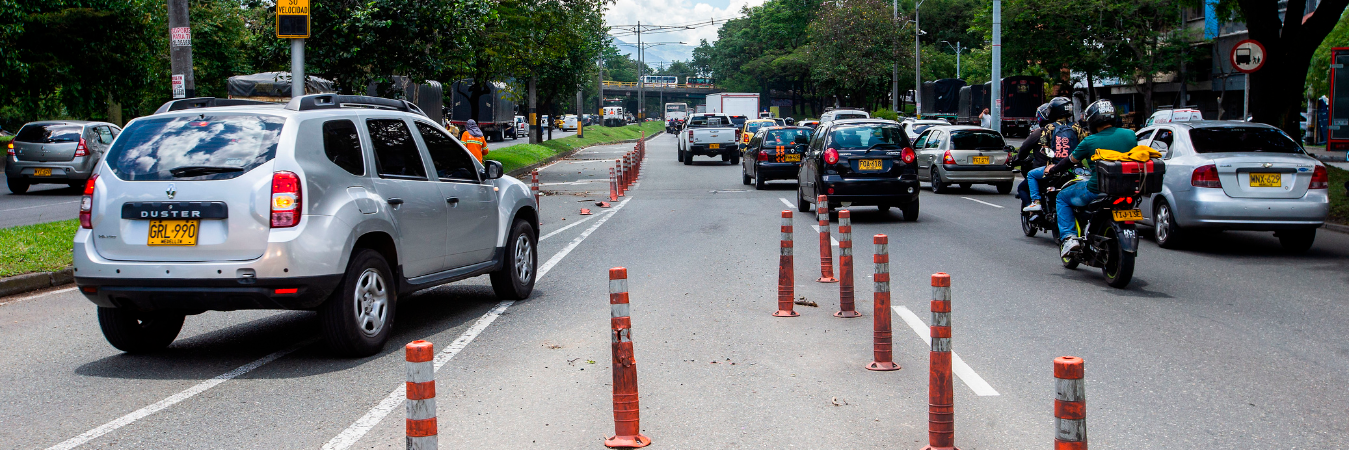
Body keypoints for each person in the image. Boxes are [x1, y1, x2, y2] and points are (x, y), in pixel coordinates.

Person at [1045, 99, 1136, 257]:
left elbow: (1069, 161)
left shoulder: (1089, 141)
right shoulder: (1130, 135)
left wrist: (1053, 169)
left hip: (1096, 189)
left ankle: (1069, 237)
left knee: (1062, 197)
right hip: (1127, 188)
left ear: (1093, 120)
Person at [1023, 97, 1083, 212]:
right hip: (1075, 168)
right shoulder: (1076, 127)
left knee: (1031, 175)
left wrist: (1051, 162)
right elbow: (1083, 145)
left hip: (1055, 168)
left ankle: (1036, 202)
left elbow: (1044, 149)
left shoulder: (1049, 128)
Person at [1011, 103, 1053, 206]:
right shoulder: (1067, 131)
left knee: (1022, 188)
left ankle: (1034, 208)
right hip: (1064, 168)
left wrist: (1014, 160)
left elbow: (1024, 150)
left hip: (1046, 169)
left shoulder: (1040, 133)